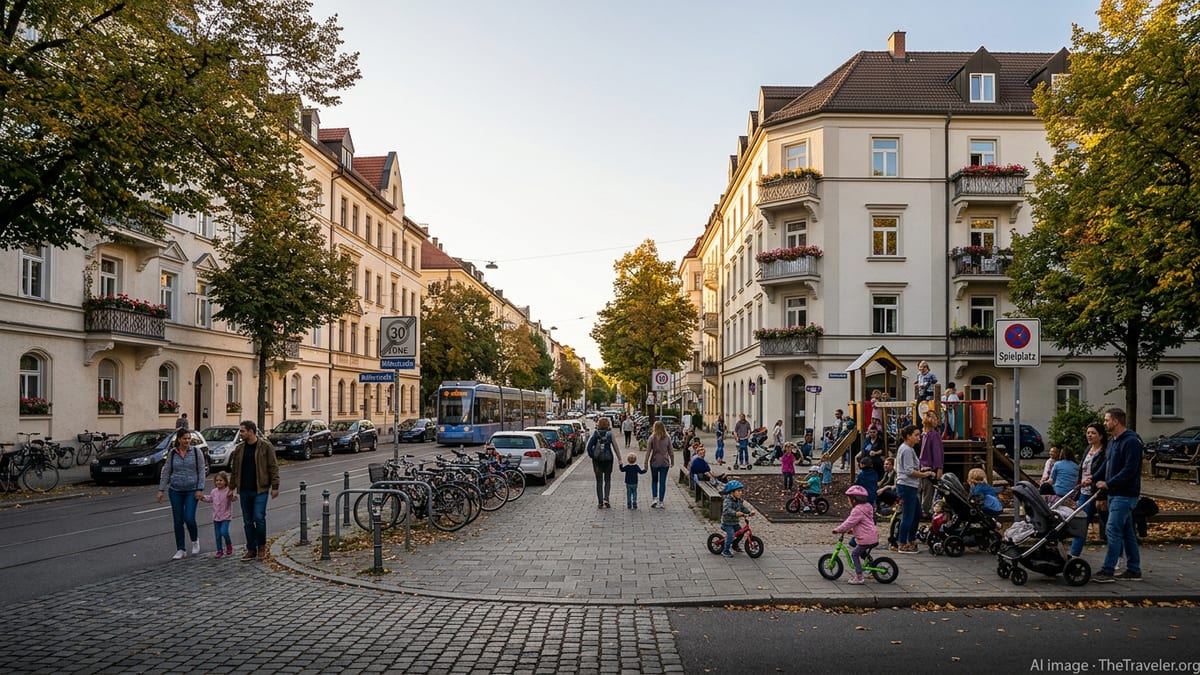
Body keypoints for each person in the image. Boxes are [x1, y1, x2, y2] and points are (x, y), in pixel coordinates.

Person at [1094, 408, 1143, 583]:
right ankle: (1134, 569)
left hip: (1125, 494)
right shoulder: (1114, 442)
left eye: (1107, 420)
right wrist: (1092, 479)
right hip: (1114, 494)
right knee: (1127, 532)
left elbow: (1130, 469)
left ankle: (1107, 571)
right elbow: (1107, 465)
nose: (1105, 423)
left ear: (1116, 421)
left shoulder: (1131, 442)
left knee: (1112, 529)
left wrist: (1109, 483)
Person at [229, 420, 280, 561]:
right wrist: (231, 487)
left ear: (251, 432)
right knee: (247, 521)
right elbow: (235, 470)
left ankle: (261, 547)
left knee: (258, 517)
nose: (241, 433)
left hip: (260, 488)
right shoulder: (239, 449)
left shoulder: (265, 447)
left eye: (243, 431)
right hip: (244, 489)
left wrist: (275, 486)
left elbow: (273, 467)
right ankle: (251, 548)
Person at [156, 430, 206, 560]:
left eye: (189, 438)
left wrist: (200, 488)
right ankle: (181, 549)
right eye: (184, 439)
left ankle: (195, 541)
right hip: (175, 490)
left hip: (191, 490)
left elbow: (201, 471)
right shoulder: (172, 454)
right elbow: (166, 472)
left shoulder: (196, 452)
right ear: (179, 439)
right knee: (178, 520)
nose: (187, 441)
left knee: (189, 518)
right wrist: (161, 490)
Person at [1070, 423, 1109, 557]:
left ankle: (1117, 556)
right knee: (1080, 525)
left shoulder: (1105, 452)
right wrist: (1077, 491)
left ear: (1101, 436)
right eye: (1088, 433)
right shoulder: (1088, 449)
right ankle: (1074, 555)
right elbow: (1081, 470)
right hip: (1084, 493)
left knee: (1108, 526)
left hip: (1098, 493)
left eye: (1093, 433)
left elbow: (1104, 473)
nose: (1089, 435)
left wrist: (1102, 495)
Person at [895, 424, 932, 553]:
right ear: (908, 436)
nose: (918, 437)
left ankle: (911, 538)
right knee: (908, 515)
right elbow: (909, 471)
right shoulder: (906, 449)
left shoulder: (909, 449)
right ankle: (902, 542)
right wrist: (924, 474)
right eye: (916, 435)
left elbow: (912, 467)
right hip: (907, 486)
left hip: (911, 485)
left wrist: (922, 469)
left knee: (916, 514)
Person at [832, 485, 878, 584]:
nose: (848, 501)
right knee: (860, 551)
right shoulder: (867, 507)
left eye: (849, 499)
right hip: (872, 535)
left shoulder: (857, 510)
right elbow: (864, 524)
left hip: (866, 538)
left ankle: (859, 577)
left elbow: (849, 522)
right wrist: (853, 531)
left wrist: (838, 529)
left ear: (854, 499)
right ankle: (870, 565)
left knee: (855, 554)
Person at [201, 471, 237, 557]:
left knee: (224, 532)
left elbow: (234, 498)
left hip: (225, 516)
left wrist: (232, 496)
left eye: (221, 480)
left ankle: (229, 545)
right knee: (217, 535)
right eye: (217, 480)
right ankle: (219, 550)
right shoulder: (214, 491)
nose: (218, 482)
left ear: (225, 481)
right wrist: (202, 498)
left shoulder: (228, 490)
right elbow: (210, 499)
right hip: (216, 517)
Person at [918, 411, 945, 517]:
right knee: (921, 490)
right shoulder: (922, 434)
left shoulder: (934, 435)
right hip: (921, 467)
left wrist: (939, 468)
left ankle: (926, 511)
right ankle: (922, 510)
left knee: (928, 491)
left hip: (929, 468)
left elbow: (937, 453)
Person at [586, 416, 616, 508]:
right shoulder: (610, 434)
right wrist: (619, 458)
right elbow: (615, 446)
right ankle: (606, 498)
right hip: (608, 459)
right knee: (607, 479)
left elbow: (589, 447)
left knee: (599, 481)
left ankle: (600, 502)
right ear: (608, 425)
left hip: (597, 460)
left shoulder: (596, 434)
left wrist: (593, 456)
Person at [719, 480, 754, 557]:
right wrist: (735, 513)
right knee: (731, 536)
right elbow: (726, 510)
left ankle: (735, 545)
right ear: (732, 492)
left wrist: (749, 512)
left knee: (741, 533)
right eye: (738, 491)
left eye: (741, 491)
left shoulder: (739, 500)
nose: (740, 493)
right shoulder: (727, 501)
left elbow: (742, 508)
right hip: (727, 523)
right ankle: (725, 551)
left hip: (734, 522)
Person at [644, 420, 674, 509]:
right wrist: (672, 461)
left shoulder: (652, 438)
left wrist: (645, 462)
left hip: (654, 462)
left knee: (654, 481)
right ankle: (661, 501)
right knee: (662, 482)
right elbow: (671, 451)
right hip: (664, 462)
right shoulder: (667, 438)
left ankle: (654, 499)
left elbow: (648, 452)